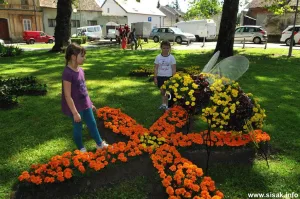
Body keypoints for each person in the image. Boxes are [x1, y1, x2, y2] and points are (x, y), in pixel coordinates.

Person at [62, 43, 108, 152]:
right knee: (78, 128)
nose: (84, 58)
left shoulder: (81, 70)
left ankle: (99, 144)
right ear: (73, 57)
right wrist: (74, 113)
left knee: (92, 123)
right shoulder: (67, 73)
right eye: (82, 56)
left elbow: (84, 88)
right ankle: (81, 149)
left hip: (85, 103)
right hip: (76, 107)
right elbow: (67, 95)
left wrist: (90, 103)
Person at [154, 40, 176, 110]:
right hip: (160, 77)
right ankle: (163, 104)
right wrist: (155, 78)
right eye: (164, 48)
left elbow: (173, 69)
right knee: (162, 92)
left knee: (167, 92)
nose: (165, 50)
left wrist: (173, 78)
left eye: (167, 48)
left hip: (169, 77)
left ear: (169, 48)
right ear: (161, 48)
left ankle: (167, 106)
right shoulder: (158, 57)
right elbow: (156, 68)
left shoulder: (172, 58)